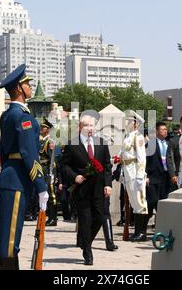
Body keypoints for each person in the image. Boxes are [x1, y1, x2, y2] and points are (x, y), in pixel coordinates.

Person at [0, 64, 49, 270]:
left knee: (7, 234)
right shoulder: (23, 117)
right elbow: (29, 154)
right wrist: (41, 185)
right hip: (18, 179)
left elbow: (4, 151)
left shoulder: (7, 115)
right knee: (10, 238)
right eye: (27, 83)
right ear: (19, 88)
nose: (30, 86)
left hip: (10, 174)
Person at [61, 111, 113, 266]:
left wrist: (108, 184)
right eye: (86, 125)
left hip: (99, 189)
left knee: (100, 218)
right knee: (85, 220)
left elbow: (107, 166)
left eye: (92, 125)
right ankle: (88, 254)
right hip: (81, 190)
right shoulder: (72, 144)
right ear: (80, 127)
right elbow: (64, 165)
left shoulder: (101, 143)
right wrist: (74, 176)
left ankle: (86, 241)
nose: (90, 128)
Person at [120, 110, 148, 242]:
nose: (126, 123)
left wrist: (140, 175)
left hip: (136, 171)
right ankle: (137, 231)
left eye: (129, 121)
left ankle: (142, 232)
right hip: (128, 171)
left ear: (135, 123)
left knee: (140, 202)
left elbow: (141, 158)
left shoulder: (138, 137)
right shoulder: (127, 137)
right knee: (133, 202)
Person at [146, 122, 170, 228]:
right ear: (156, 131)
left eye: (166, 129)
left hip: (166, 177)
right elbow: (144, 161)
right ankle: (142, 228)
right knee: (152, 202)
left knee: (163, 204)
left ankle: (161, 227)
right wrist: (145, 175)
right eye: (162, 129)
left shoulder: (169, 143)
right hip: (153, 178)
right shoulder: (150, 144)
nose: (165, 131)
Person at [39, 118, 58, 227]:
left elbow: (52, 160)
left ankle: (53, 218)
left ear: (48, 129)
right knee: (45, 194)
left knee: (52, 195)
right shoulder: (42, 141)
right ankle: (47, 216)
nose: (42, 129)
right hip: (43, 169)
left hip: (48, 169)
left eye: (44, 127)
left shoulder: (50, 141)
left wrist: (52, 173)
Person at [166, 116, 182, 190]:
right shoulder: (174, 141)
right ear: (180, 125)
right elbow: (170, 158)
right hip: (178, 174)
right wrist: (172, 175)